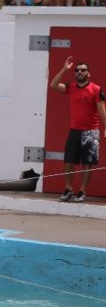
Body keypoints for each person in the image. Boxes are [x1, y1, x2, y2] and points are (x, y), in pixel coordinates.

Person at [49, 56, 106, 203]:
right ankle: (68, 189)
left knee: (88, 163)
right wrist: (64, 69)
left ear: (88, 73)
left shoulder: (96, 89)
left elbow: (102, 110)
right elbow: (53, 85)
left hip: (91, 131)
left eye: (83, 70)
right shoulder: (71, 87)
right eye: (77, 70)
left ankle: (82, 191)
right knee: (69, 160)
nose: (80, 72)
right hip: (74, 130)